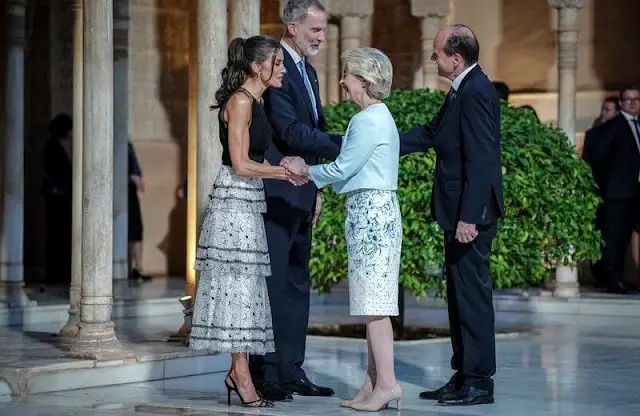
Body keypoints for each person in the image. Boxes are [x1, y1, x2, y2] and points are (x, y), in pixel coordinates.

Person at [282, 47, 403, 412]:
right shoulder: (372, 117)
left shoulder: (370, 120)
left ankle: (388, 384)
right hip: (368, 212)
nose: (342, 81)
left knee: (376, 306)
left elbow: (342, 168)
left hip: (373, 215)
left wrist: (302, 171)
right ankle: (372, 382)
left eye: (347, 75)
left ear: (364, 81)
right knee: (371, 303)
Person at [188, 35, 301, 408]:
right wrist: (282, 172)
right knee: (238, 289)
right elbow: (239, 163)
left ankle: (239, 371)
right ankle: (240, 372)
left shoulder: (257, 99)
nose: (283, 69)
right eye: (278, 63)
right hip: (233, 200)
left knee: (247, 290)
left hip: (248, 199)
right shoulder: (239, 101)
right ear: (258, 67)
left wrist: (279, 170)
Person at [400, 24, 504, 406]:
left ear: (455, 58)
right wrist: (383, 140)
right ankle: (463, 375)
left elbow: (482, 158)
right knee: (459, 298)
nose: (433, 59)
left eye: (437, 53)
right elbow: (433, 133)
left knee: (472, 298)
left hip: (469, 214)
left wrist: (470, 217)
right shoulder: (464, 88)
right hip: (458, 211)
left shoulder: (476, 91)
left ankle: (478, 381)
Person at [249, 0, 342, 401]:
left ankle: (291, 370)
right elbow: (289, 131)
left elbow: (312, 134)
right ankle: (266, 371)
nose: (321, 37)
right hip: (275, 191)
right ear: (291, 27)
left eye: (322, 30)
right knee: (271, 286)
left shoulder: (310, 72)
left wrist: (317, 187)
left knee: (296, 285)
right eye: (315, 30)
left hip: (302, 192)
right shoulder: (275, 69)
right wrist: (349, 144)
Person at [582, 86, 640, 294]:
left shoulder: (637, 125)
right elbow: (597, 156)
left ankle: (622, 278)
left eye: (636, 99)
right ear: (622, 103)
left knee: (625, 239)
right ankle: (612, 280)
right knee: (614, 238)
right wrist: (606, 185)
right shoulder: (614, 126)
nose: (632, 103)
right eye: (628, 99)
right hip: (618, 193)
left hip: (635, 193)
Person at [43, 113, 73, 286]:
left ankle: (59, 273)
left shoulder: (54, 147)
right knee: (57, 235)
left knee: (60, 235)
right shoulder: (52, 147)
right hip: (57, 197)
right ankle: (57, 274)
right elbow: (58, 172)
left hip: (60, 196)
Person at [127, 141, 150, 283]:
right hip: (123, 191)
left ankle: (137, 268)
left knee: (135, 231)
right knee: (130, 231)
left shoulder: (126, 144)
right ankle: (132, 269)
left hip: (129, 192)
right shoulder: (123, 145)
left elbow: (136, 173)